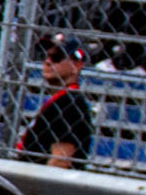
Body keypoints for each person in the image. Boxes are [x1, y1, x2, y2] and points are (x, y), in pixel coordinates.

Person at [16, 32, 97, 168]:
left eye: (56, 57)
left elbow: (61, 160)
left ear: (76, 65)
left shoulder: (70, 104)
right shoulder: (62, 100)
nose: (47, 61)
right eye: (45, 56)